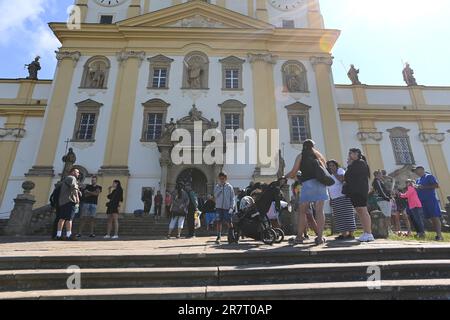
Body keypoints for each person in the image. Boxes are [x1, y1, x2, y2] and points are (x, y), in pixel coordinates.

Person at [287, 139, 329, 245]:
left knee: (302, 211)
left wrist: (287, 176)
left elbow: (293, 173)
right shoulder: (319, 156)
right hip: (320, 184)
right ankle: (319, 238)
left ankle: (299, 237)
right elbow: (326, 169)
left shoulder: (300, 156)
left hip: (307, 184)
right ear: (313, 146)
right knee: (319, 211)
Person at [344, 148, 375, 242]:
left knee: (363, 210)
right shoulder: (353, 164)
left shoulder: (360, 163)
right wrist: (349, 165)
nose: (349, 155)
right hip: (354, 190)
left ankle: (369, 233)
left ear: (357, 154)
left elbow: (352, 174)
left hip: (360, 190)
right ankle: (365, 232)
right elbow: (347, 177)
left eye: (351, 153)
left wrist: (349, 166)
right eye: (349, 153)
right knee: (359, 210)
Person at [326, 160, 357, 240]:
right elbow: (329, 188)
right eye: (330, 166)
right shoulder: (330, 175)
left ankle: (351, 233)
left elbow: (342, 179)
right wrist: (330, 199)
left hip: (343, 196)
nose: (331, 167)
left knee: (348, 214)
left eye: (333, 165)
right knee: (339, 216)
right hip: (334, 198)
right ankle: (344, 234)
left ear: (336, 165)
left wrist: (335, 172)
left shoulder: (340, 171)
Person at [414, 167, 443, 241]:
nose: (415, 172)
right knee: (429, 218)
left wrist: (423, 187)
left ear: (421, 170)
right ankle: (436, 234)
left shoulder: (428, 176)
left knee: (434, 216)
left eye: (416, 170)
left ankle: (439, 235)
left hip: (430, 200)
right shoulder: (418, 180)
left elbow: (436, 185)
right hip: (422, 201)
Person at [55, 168, 82, 241]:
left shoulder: (66, 179)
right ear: (73, 172)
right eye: (77, 172)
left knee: (62, 218)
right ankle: (69, 235)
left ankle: (58, 234)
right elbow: (74, 189)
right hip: (70, 201)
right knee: (69, 219)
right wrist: (77, 199)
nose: (78, 174)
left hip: (62, 201)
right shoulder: (72, 178)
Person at [214, 172, 235, 244]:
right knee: (218, 222)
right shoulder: (217, 186)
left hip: (227, 207)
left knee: (229, 222)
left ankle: (231, 236)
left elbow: (232, 198)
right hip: (219, 207)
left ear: (226, 178)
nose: (221, 180)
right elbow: (215, 196)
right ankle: (218, 237)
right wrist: (220, 189)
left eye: (223, 179)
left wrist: (232, 207)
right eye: (220, 179)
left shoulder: (229, 187)